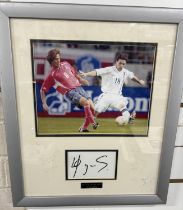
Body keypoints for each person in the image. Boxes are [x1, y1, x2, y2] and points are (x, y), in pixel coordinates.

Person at [40, 48, 98, 132]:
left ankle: (83, 128)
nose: (58, 60)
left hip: (79, 87)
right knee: (86, 102)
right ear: (51, 61)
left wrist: (81, 80)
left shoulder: (66, 64)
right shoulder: (52, 75)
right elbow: (42, 90)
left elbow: (74, 74)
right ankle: (93, 123)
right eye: (56, 59)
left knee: (94, 109)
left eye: (58, 58)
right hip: (70, 92)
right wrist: (44, 103)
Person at [80, 52, 145, 123]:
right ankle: (88, 124)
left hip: (117, 96)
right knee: (96, 111)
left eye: (123, 64)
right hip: (106, 95)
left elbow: (132, 77)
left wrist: (139, 81)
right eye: (120, 63)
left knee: (122, 106)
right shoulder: (109, 70)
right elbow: (96, 72)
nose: (121, 65)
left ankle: (128, 119)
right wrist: (86, 74)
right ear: (116, 61)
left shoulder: (125, 72)